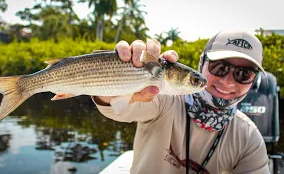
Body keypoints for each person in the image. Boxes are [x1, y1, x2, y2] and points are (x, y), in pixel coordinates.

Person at [92, 30, 270, 174]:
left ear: (253, 81)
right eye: (220, 67)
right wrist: (120, 72)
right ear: (202, 63)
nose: (228, 81)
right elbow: (115, 108)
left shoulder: (249, 139)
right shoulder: (163, 97)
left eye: (244, 74)